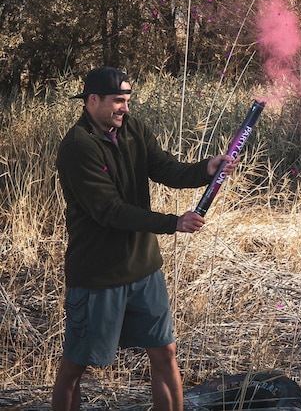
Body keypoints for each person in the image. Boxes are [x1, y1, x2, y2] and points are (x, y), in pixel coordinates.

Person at [52, 66, 241, 411]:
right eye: (117, 101)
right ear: (92, 100)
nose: (125, 107)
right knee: (76, 366)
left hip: (144, 268)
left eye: (127, 100)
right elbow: (110, 211)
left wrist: (205, 169)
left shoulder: (132, 128)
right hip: (98, 275)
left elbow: (165, 168)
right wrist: (173, 222)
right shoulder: (77, 147)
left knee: (164, 351)